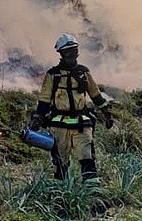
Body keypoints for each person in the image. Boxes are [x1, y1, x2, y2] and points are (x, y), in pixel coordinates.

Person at [28, 33, 113, 182]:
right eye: (67, 52)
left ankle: (92, 191)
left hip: (81, 124)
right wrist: (37, 118)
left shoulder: (84, 73)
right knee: (60, 162)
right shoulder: (53, 75)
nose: (71, 55)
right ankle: (62, 192)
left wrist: (107, 113)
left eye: (73, 51)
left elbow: (96, 95)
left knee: (87, 159)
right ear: (61, 54)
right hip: (58, 126)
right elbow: (44, 101)